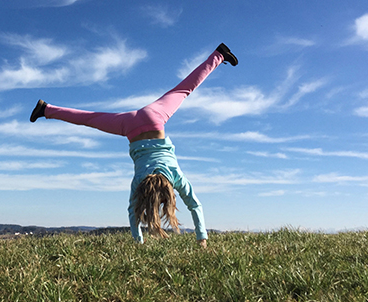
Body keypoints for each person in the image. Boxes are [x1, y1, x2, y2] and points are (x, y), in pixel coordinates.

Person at [30, 43, 238, 248]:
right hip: (135, 125)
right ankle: (46, 109)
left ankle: (46, 108)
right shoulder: (139, 181)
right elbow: (133, 211)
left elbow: (195, 204)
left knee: (184, 89)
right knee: (90, 118)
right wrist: (140, 241)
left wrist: (203, 238)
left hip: (153, 119)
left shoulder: (174, 176)